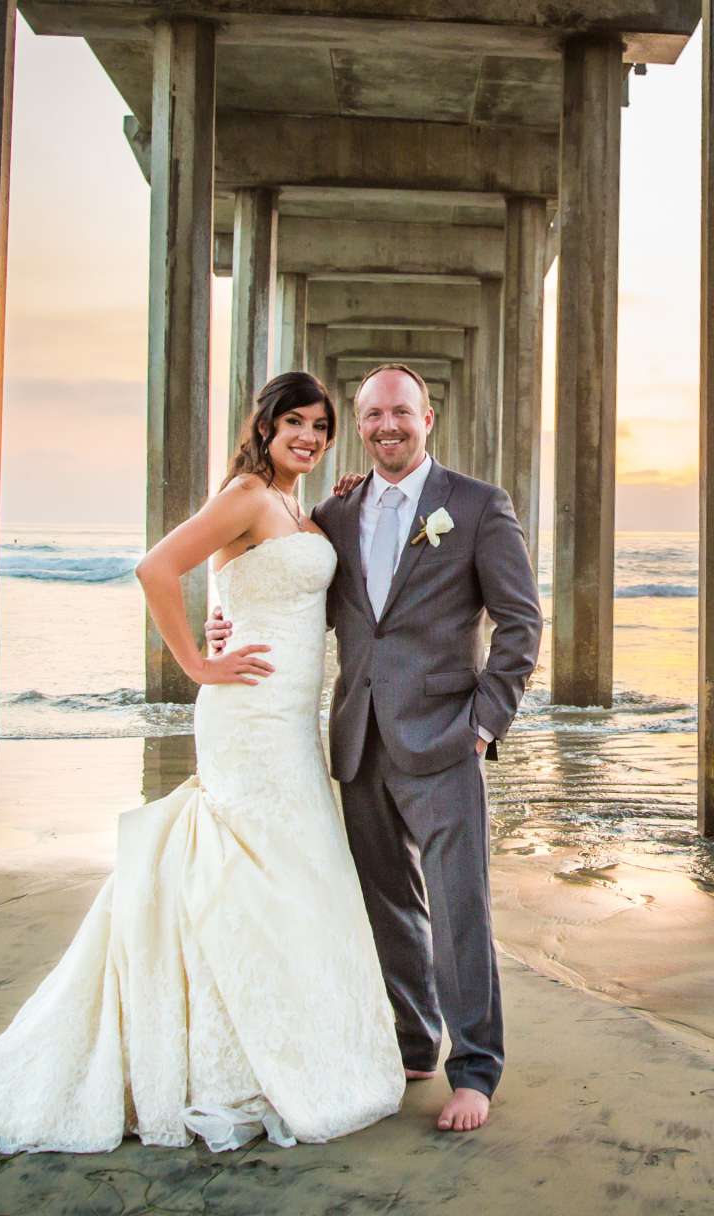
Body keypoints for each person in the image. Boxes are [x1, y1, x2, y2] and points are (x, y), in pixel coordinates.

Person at [0, 371, 403, 1154]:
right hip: (246, 716)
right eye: (294, 424)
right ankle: (232, 1055)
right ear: (266, 427)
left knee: (297, 867)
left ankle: (287, 1037)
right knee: (250, 866)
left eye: (320, 426)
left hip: (290, 721)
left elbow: (262, 583)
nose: (308, 437)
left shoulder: (292, 507)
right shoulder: (246, 494)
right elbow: (155, 567)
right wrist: (196, 665)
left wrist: (331, 507)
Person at [207, 362, 541, 1133]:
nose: (386, 426)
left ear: (427, 419)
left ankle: (476, 1071)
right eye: (370, 417)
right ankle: (415, 1041)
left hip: (445, 738)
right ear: (358, 428)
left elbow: (521, 626)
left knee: (460, 909)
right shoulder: (338, 511)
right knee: (388, 904)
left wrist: (484, 725)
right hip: (357, 738)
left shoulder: (478, 508)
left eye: (400, 413)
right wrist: (225, 625)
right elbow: (289, 592)